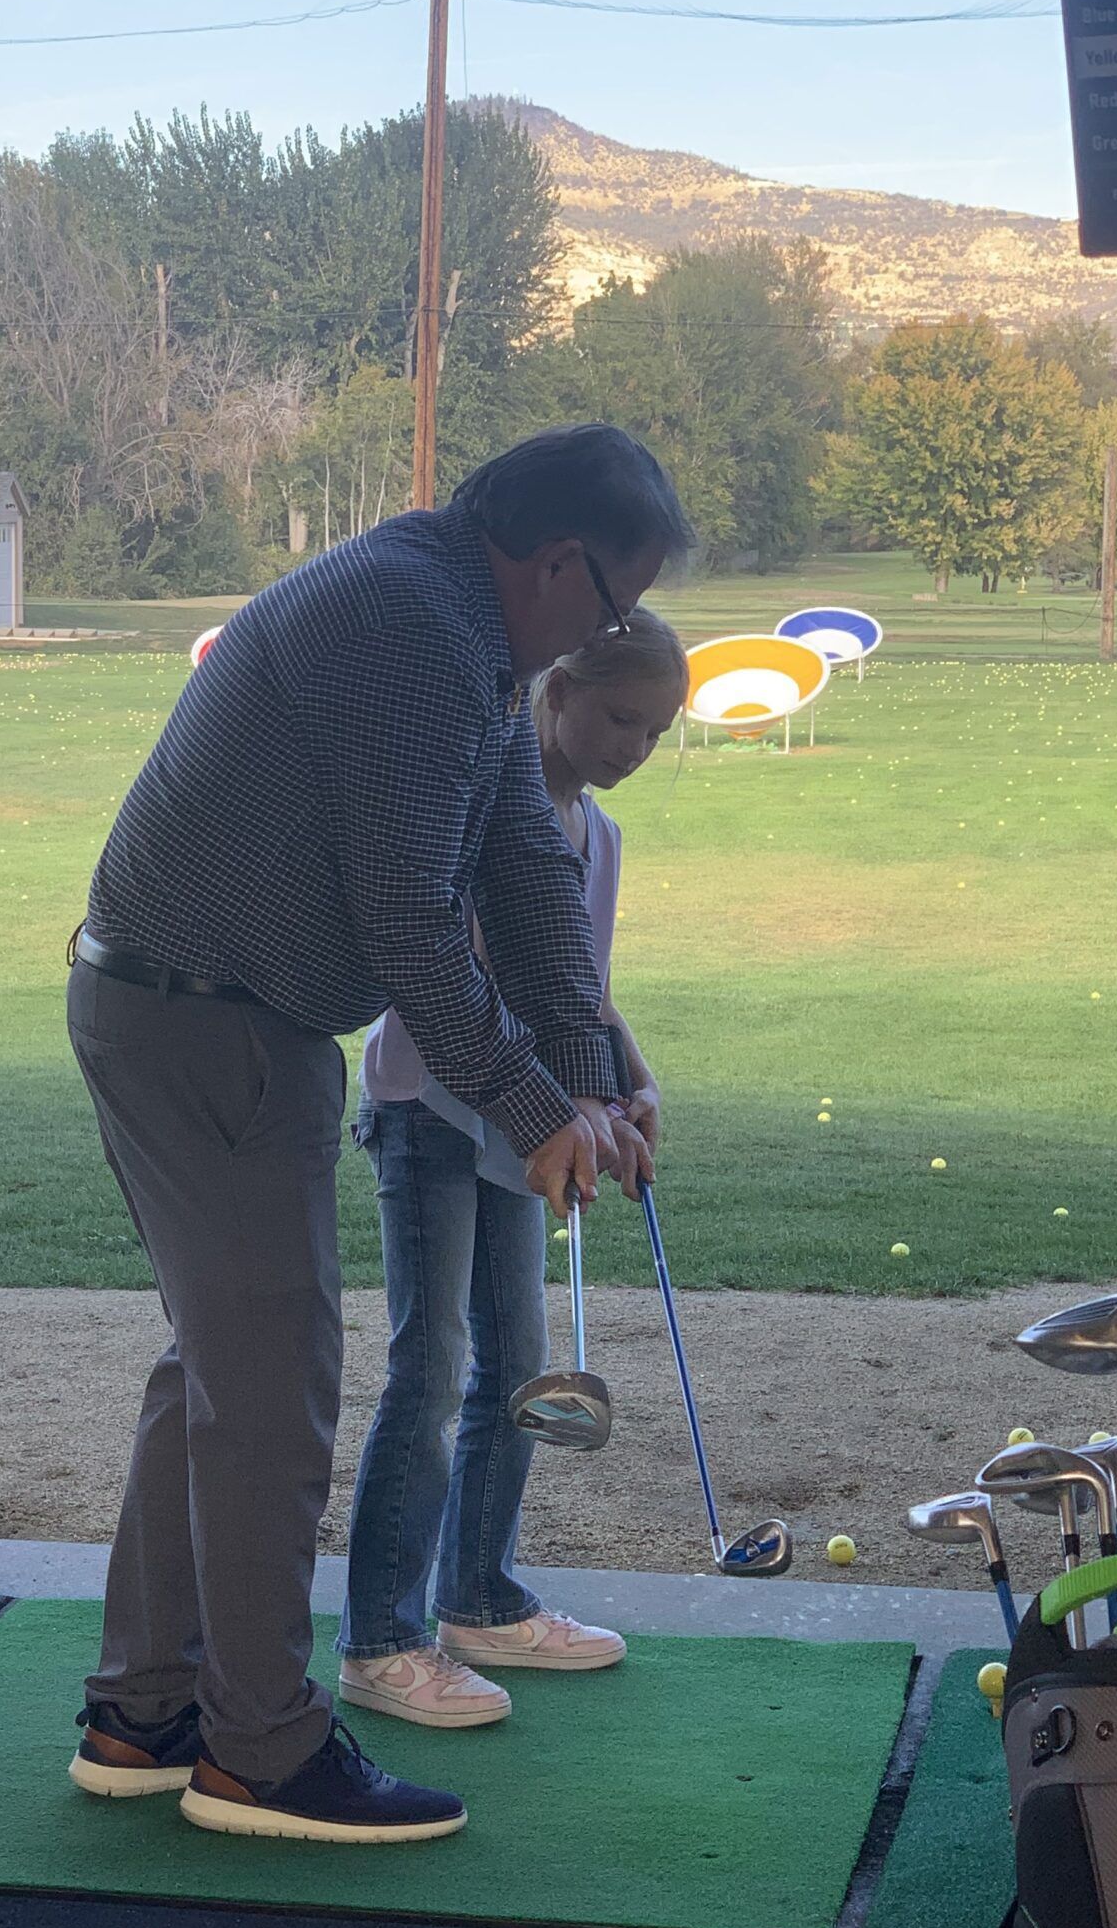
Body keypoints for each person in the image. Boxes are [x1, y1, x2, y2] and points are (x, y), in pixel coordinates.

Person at [64, 424, 694, 1847]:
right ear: (552, 561)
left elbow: (520, 864)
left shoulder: (461, 629)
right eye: (605, 605)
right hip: (203, 1018)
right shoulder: (410, 624)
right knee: (275, 1387)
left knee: (220, 1373)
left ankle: (143, 1709)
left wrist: (596, 1066)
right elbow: (409, 918)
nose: (602, 635)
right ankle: (260, 1753)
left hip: (218, 1013)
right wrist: (539, 1111)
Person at [337, 613, 690, 1728]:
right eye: (620, 717)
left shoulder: (604, 834)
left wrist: (631, 1079)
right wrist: (575, 1107)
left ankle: (481, 1600)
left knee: (515, 1365)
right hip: (434, 1110)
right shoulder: (484, 805)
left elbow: (576, 984)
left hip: (532, 1125)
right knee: (431, 1370)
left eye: (656, 729)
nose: (634, 743)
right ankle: (381, 1640)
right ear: (558, 691)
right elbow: (468, 978)